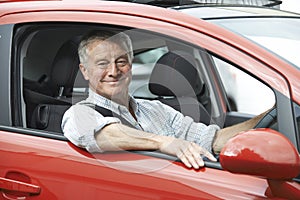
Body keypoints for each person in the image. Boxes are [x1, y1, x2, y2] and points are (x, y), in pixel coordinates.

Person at [62, 30, 270, 169]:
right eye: (102, 63)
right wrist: (165, 143)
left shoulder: (157, 109)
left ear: (131, 65)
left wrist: (268, 117)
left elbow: (212, 140)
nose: (114, 71)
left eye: (121, 61)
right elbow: (105, 135)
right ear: (85, 71)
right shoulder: (78, 113)